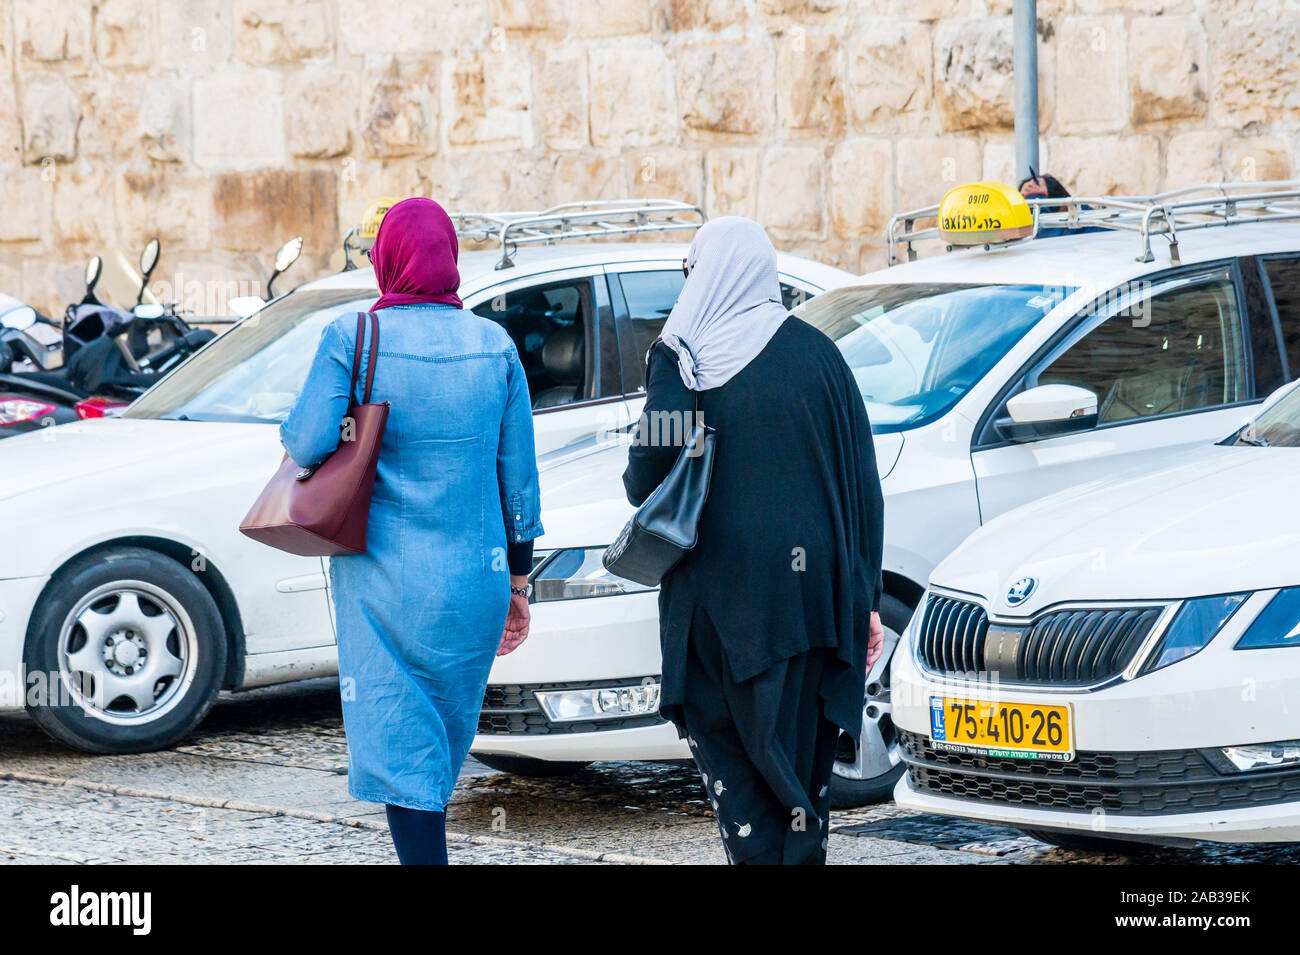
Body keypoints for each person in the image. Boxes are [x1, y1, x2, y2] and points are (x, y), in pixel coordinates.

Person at [280, 198, 542, 865]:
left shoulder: (351, 337)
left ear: (387, 260)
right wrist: (518, 581)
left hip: (385, 584)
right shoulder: (497, 345)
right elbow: (519, 483)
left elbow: (309, 442)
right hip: (475, 580)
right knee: (440, 745)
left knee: (405, 749)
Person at [622, 217, 885, 865]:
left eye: (691, 271)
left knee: (744, 785)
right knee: (800, 783)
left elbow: (645, 475)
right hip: (815, 610)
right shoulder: (821, 354)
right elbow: (864, 489)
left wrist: (667, 362)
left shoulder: (687, 360)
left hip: (721, 616)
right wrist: (867, 599)